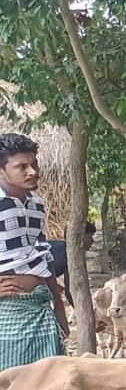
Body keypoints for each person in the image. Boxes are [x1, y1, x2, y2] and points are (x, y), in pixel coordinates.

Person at [0, 133, 69, 372]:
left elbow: (42, 255)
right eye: (22, 167)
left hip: (40, 310)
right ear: (2, 171)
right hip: (7, 312)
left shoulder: (37, 203)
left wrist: (59, 308)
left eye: (34, 164)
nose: (32, 171)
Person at [48, 220, 97, 307]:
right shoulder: (72, 255)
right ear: (80, 237)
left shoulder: (57, 246)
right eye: (89, 237)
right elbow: (70, 291)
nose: (92, 241)